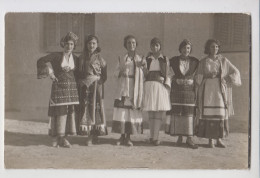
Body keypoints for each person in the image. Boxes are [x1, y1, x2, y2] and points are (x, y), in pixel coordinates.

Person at [195, 39, 241, 148]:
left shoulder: (223, 60)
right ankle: (210, 140)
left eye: (216, 47)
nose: (214, 49)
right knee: (209, 114)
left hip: (219, 89)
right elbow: (197, 76)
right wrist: (206, 76)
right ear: (208, 48)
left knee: (220, 113)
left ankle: (219, 139)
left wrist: (227, 79)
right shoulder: (203, 61)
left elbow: (236, 71)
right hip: (207, 90)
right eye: (212, 47)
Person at [37, 32, 80, 148]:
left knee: (68, 113)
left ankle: (64, 139)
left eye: (71, 44)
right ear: (63, 44)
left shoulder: (76, 58)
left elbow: (80, 73)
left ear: (74, 45)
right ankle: (56, 137)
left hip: (71, 90)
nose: (69, 46)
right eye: (67, 44)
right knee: (58, 112)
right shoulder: (56, 56)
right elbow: (41, 61)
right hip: (58, 88)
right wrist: (50, 73)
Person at [165, 39, 199, 149]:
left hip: (189, 91)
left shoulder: (195, 61)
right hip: (177, 91)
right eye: (184, 48)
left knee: (189, 114)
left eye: (188, 48)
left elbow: (197, 76)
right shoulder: (173, 60)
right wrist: (174, 80)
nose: (186, 50)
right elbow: (168, 74)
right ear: (180, 49)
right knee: (178, 113)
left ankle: (189, 138)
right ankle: (179, 136)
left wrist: (193, 81)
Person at [112, 35, 145, 146]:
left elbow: (145, 74)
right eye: (129, 43)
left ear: (136, 45)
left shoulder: (140, 59)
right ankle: (122, 137)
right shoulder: (121, 58)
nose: (131, 45)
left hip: (134, 88)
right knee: (122, 112)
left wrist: (143, 67)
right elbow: (115, 74)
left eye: (133, 43)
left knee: (131, 112)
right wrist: (121, 72)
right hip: (123, 86)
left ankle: (128, 137)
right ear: (125, 45)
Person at [78, 35, 108, 146]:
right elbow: (79, 73)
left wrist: (98, 82)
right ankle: (89, 136)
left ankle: (96, 135)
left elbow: (104, 76)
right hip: (86, 88)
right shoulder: (82, 58)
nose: (91, 45)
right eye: (89, 43)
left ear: (97, 45)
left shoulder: (101, 59)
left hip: (97, 87)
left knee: (97, 110)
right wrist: (82, 81)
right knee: (88, 109)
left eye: (94, 43)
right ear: (86, 45)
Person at [142, 37, 171, 146]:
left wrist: (166, 83)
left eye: (157, 45)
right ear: (150, 46)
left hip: (159, 87)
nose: (155, 47)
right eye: (153, 45)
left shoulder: (164, 59)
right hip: (149, 86)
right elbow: (144, 73)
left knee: (158, 113)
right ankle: (151, 137)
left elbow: (168, 73)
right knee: (151, 113)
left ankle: (156, 137)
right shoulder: (147, 59)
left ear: (160, 47)